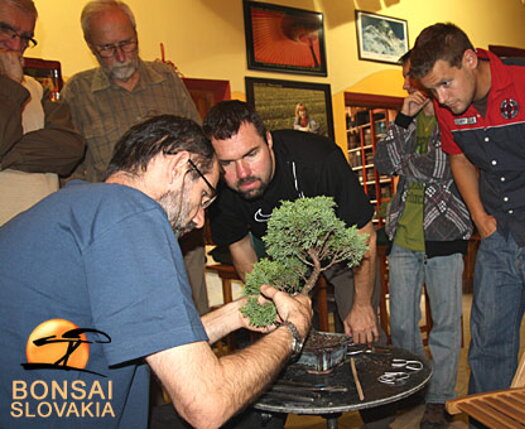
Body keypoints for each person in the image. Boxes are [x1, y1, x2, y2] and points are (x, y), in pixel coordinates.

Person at [0, 115, 313, 429]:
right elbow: (207, 405)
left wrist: (233, 315)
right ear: (179, 167)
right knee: (257, 418)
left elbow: (148, 340)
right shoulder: (130, 213)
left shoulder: (79, 206)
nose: (201, 220)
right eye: (204, 196)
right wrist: (293, 333)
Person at [409, 23, 525, 401]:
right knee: (488, 344)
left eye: (446, 83)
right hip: (500, 236)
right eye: (431, 90)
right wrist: (479, 218)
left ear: (470, 59)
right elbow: (458, 156)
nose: (441, 99)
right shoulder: (448, 106)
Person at [61, 0, 208, 315]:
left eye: (127, 44)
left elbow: (200, 150)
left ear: (136, 34)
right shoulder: (78, 93)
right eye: (107, 48)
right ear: (90, 46)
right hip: (119, 240)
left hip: (180, 235)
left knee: (192, 321)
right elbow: (71, 175)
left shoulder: (166, 80)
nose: (121, 56)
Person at [204, 100, 384, 346]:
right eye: (227, 163)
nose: (243, 172)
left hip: (339, 245)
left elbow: (364, 236)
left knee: (360, 331)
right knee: (287, 334)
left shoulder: (319, 159)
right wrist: (268, 299)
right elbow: (240, 247)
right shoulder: (220, 188)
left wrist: (362, 305)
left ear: (268, 141)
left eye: (251, 154)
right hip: (280, 253)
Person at [374, 49, 473, 428]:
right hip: (403, 233)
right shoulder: (406, 120)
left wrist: (404, 160)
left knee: (446, 324)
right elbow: (384, 164)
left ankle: (441, 397)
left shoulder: (455, 113)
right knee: (401, 323)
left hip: (446, 232)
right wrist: (400, 120)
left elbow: (438, 167)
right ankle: (414, 388)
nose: (404, 84)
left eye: (408, 77)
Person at [0, 0, 84, 226]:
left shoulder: (36, 88)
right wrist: (10, 85)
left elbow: (71, 148)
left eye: (26, 37)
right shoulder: (15, 85)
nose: (16, 46)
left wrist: (6, 155)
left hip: (39, 235)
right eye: (5, 30)